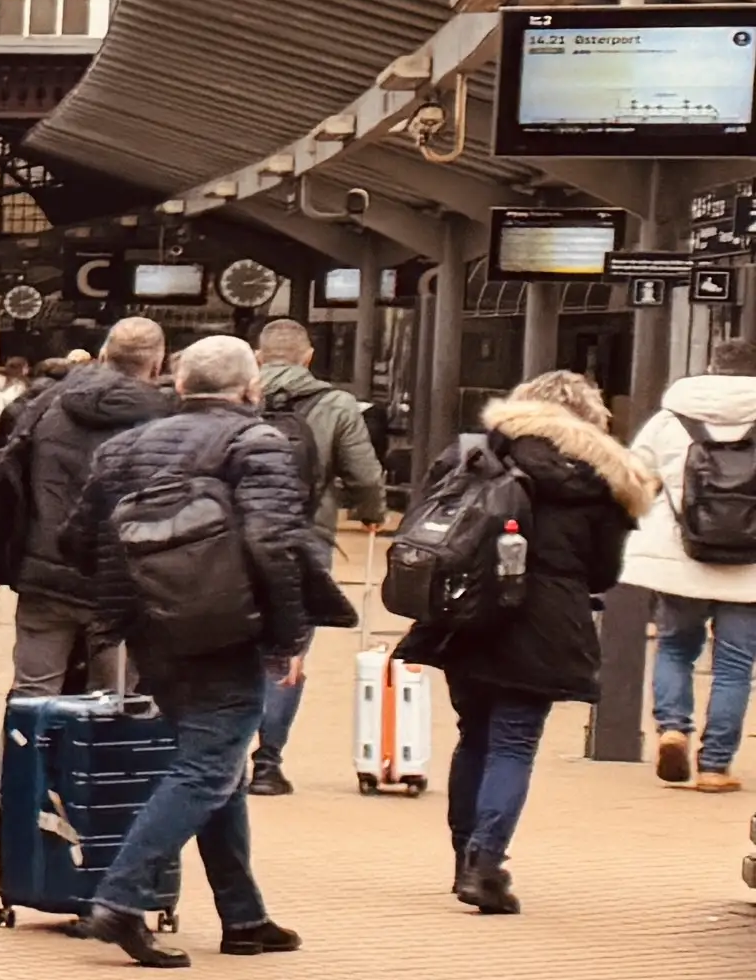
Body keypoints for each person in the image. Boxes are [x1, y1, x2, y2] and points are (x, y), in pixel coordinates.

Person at [48, 333, 314, 964]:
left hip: (150, 631)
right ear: (252, 389)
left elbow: (75, 540)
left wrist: (139, 588)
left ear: (181, 383)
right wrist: (289, 635)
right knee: (206, 766)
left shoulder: (125, 446)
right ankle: (121, 898)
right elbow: (275, 546)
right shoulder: (258, 443)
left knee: (215, 764)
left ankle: (243, 917)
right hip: (228, 630)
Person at [416, 367, 651, 912]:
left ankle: (461, 862)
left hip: (466, 612)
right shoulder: (600, 476)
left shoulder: (477, 452)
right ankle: (486, 864)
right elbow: (602, 572)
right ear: (590, 418)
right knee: (513, 742)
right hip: (544, 620)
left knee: (473, 734)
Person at [244, 318, 393, 792]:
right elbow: (364, 474)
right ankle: (267, 764)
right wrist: (373, 513)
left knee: (230, 643)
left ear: (259, 356)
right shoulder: (336, 403)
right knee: (286, 653)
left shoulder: (237, 393)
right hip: (304, 539)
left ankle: (220, 756)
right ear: (309, 357)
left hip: (231, 537)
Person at [0, 316, 176, 699]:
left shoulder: (49, 403)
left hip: (44, 573)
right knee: (114, 700)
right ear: (158, 363)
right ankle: (101, 760)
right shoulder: (167, 419)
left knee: (32, 694)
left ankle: (23, 759)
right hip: (120, 584)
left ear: (102, 355)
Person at [618, 354, 756, 789]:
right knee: (735, 666)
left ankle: (673, 729)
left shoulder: (672, 418)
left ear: (712, 370)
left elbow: (633, 475)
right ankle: (715, 766)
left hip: (682, 558)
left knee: (676, 648)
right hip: (749, 565)